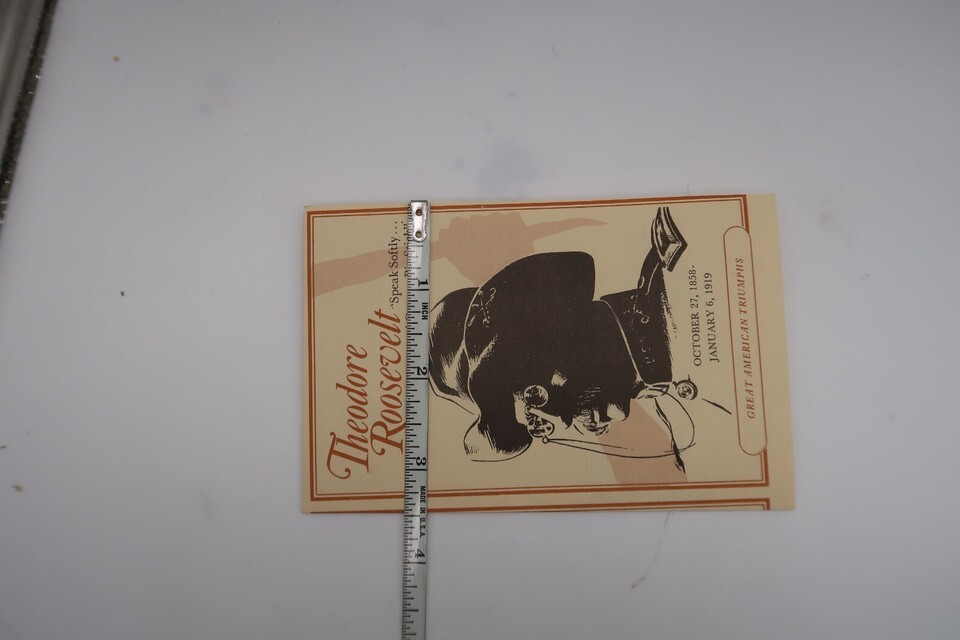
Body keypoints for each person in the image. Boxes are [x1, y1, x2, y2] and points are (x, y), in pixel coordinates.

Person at [429, 207, 697, 467]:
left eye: (534, 394)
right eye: (533, 417)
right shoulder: (667, 386)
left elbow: (577, 266)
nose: (563, 421)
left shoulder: (680, 270)